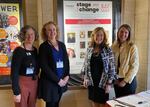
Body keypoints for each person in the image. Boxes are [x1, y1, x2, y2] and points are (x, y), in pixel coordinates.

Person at [81, 27, 116, 107]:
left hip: (103, 83)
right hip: (92, 82)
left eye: (101, 35)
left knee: (103, 104)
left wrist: (109, 83)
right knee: (94, 103)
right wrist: (85, 78)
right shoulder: (89, 49)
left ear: (104, 37)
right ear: (93, 36)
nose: (99, 37)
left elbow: (112, 67)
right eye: (97, 35)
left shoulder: (108, 49)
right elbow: (85, 65)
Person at [38, 21, 70, 107]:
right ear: (45, 32)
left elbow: (66, 61)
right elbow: (44, 66)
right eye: (49, 30)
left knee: (57, 104)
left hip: (62, 81)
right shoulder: (43, 47)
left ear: (57, 31)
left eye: (54, 29)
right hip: (50, 83)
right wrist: (58, 80)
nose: (52, 32)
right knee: (51, 105)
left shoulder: (62, 45)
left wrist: (67, 75)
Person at [11, 25, 39, 107]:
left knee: (32, 105)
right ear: (23, 36)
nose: (30, 37)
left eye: (32, 34)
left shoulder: (35, 50)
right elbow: (14, 72)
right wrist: (16, 92)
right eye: (27, 34)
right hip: (22, 83)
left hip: (34, 83)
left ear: (35, 35)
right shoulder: (19, 51)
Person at [111, 24, 139, 98]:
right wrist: (114, 78)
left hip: (128, 81)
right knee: (118, 101)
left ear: (129, 34)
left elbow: (134, 67)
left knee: (128, 103)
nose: (123, 34)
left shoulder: (132, 47)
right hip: (117, 80)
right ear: (118, 33)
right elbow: (112, 64)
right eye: (121, 31)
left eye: (126, 32)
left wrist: (125, 81)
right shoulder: (114, 46)